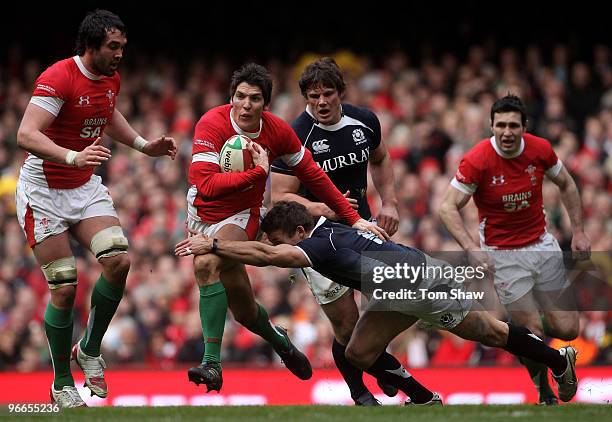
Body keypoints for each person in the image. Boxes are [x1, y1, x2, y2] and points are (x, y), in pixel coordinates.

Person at [175, 201, 579, 405]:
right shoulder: (331, 225)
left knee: (490, 332)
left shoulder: (319, 242)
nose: (276, 247)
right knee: (359, 350)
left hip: (419, 284)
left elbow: (268, 258)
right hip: (397, 285)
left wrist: (212, 243)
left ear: (298, 231)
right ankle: (426, 401)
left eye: (280, 239)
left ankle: (559, 361)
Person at [185, 63, 385, 393]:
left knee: (206, 262)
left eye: (255, 98)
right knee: (245, 312)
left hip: (241, 215)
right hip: (201, 212)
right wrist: (257, 174)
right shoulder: (212, 122)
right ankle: (279, 339)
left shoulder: (277, 131)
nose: (246, 104)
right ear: (231, 98)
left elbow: (313, 175)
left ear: (266, 103)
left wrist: (352, 218)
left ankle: (212, 364)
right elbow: (204, 183)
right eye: (240, 97)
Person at [15, 10, 177, 408]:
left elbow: (107, 114)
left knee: (119, 261)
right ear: (90, 47)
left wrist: (143, 145)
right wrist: (72, 157)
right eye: (113, 47)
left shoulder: (109, 78)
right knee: (65, 288)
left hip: (83, 186)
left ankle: (88, 349)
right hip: (44, 191)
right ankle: (60, 382)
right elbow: (26, 134)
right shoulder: (58, 77)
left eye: (122, 46)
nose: (120, 54)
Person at [438, 94, 589, 405]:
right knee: (528, 331)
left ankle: (557, 357)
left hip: (541, 245)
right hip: (503, 255)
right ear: (491, 126)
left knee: (569, 327)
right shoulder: (477, 160)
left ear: (524, 127)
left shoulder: (540, 149)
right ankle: (544, 390)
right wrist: (469, 247)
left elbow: (568, 184)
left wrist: (579, 232)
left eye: (513, 126)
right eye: (501, 125)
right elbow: (447, 207)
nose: (507, 132)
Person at [270, 57, 402, 405]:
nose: (321, 102)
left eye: (328, 94)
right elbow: (279, 195)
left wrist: (389, 202)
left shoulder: (365, 121)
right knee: (346, 324)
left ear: (341, 92)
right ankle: (361, 392)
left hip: (363, 225)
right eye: (313, 96)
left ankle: (378, 363)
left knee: (384, 306)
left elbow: (381, 158)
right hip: (318, 236)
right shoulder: (296, 133)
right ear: (305, 98)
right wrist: (320, 208)